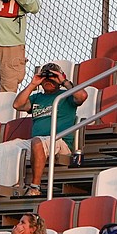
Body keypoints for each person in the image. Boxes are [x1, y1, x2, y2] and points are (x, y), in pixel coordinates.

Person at [11, 62, 87, 197]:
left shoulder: (66, 95)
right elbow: (17, 104)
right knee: (5, 148)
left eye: (52, 77)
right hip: (38, 142)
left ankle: (35, 187)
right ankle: (8, 184)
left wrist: (63, 81)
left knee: (37, 142)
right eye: (45, 77)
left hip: (60, 142)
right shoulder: (37, 97)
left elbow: (82, 96)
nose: (48, 80)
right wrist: (33, 84)